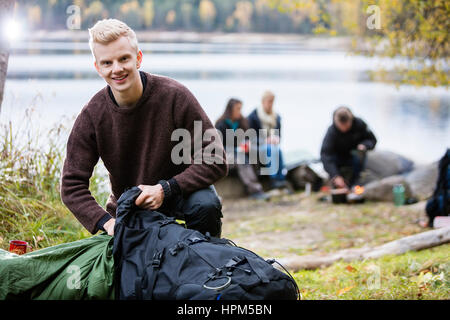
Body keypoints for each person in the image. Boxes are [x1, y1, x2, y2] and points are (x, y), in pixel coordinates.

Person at [60, 19, 227, 238]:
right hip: (130, 208)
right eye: (107, 63)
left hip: (180, 196)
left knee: (206, 204)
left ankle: (207, 266)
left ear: (138, 58)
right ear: (98, 68)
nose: (117, 69)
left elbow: (215, 158)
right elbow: (71, 186)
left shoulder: (175, 96)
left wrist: (165, 189)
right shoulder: (92, 115)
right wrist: (106, 223)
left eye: (124, 59)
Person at [215, 98, 270, 200]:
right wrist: (236, 149)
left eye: (241, 108)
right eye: (238, 108)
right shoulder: (220, 124)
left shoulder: (242, 122)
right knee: (241, 158)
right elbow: (218, 147)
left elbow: (249, 137)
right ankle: (255, 190)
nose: (240, 111)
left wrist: (247, 143)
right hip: (226, 155)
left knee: (254, 153)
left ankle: (254, 186)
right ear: (230, 109)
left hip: (241, 153)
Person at [320, 106, 377, 190]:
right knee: (330, 161)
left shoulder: (359, 124)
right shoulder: (331, 132)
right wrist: (335, 175)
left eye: (346, 126)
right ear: (336, 122)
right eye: (341, 126)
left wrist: (365, 145)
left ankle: (355, 184)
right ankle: (337, 182)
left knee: (359, 155)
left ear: (351, 120)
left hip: (354, 155)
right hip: (338, 157)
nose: (344, 129)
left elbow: (372, 140)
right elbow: (325, 154)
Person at [247, 90, 288, 190]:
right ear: (263, 101)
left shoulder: (276, 117)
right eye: (269, 101)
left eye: (272, 101)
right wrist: (264, 140)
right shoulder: (253, 116)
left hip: (271, 145)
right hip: (256, 146)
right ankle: (273, 179)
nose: (270, 104)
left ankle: (281, 178)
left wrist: (276, 139)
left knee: (278, 150)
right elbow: (249, 137)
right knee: (270, 149)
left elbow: (279, 136)